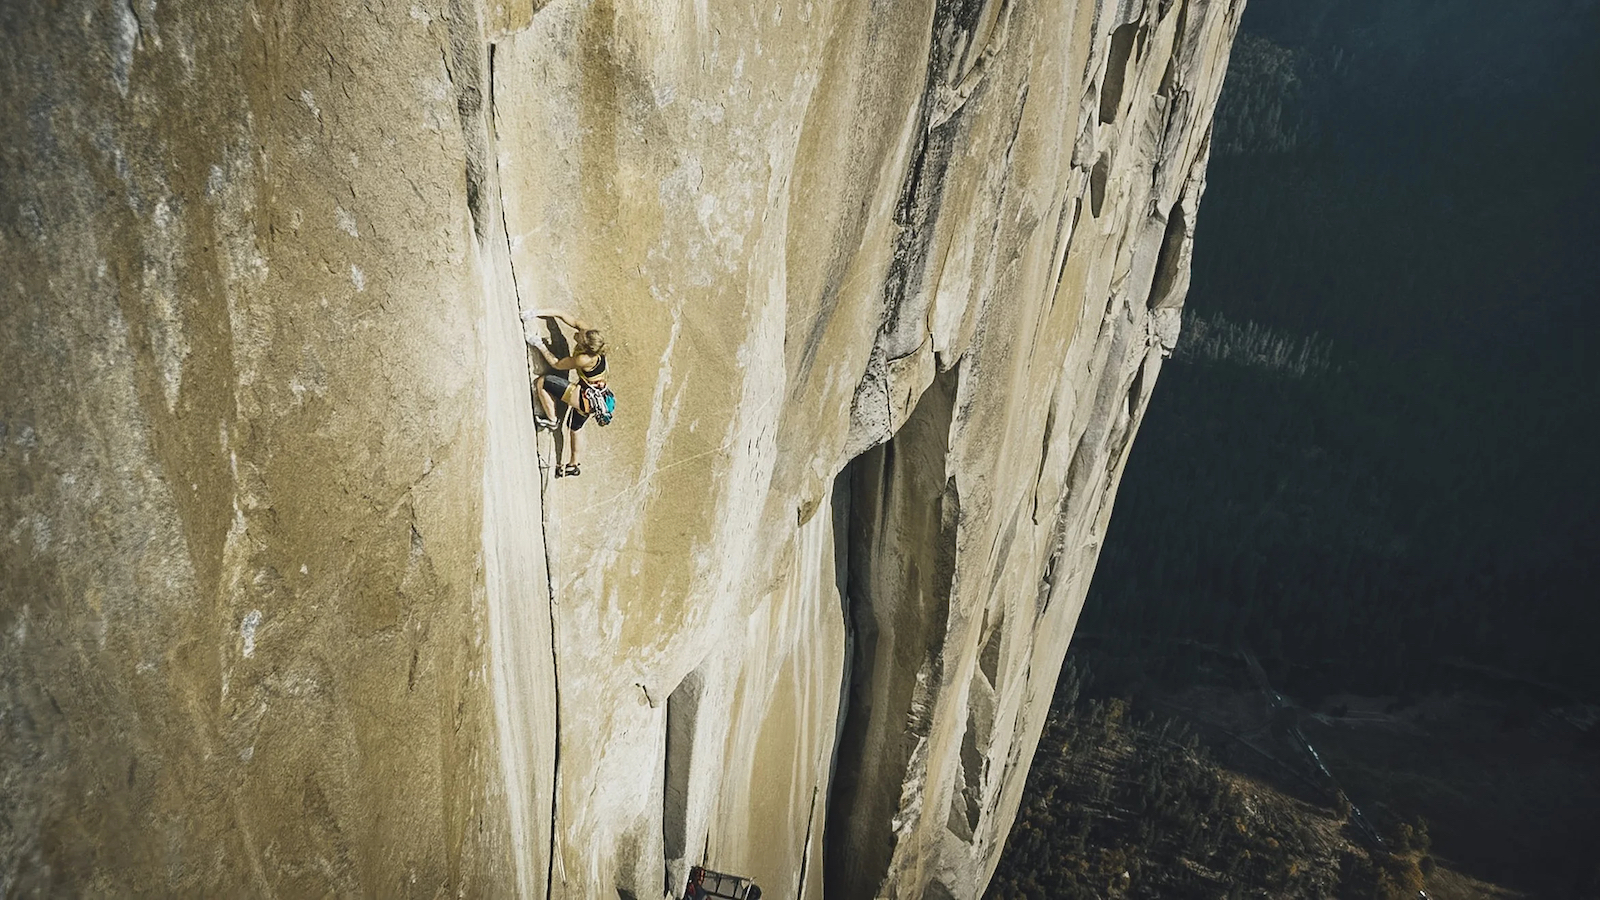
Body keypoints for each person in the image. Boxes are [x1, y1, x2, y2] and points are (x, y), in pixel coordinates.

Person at [521, 308, 608, 478]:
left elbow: (557, 364)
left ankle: (552, 419)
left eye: (580, 338)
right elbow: (562, 314)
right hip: (597, 395)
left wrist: (538, 344)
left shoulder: (584, 359)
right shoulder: (587, 333)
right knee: (574, 428)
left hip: (585, 397)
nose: (577, 335)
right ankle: (573, 465)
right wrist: (535, 312)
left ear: (585, 346)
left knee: (543, 382)